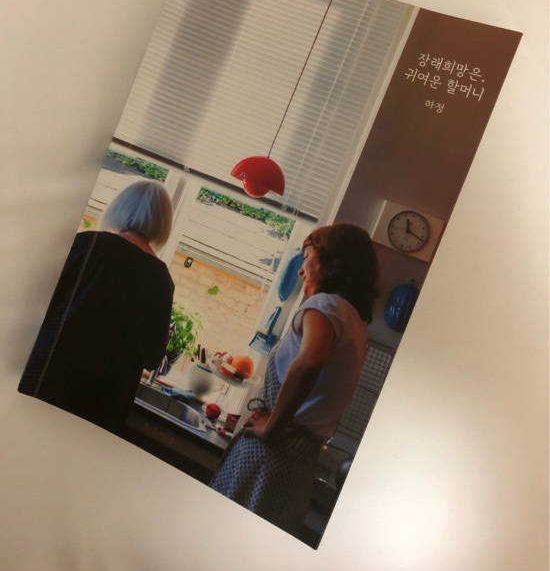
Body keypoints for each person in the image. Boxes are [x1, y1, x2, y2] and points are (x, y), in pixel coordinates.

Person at [210, 223, 379, 536]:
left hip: (271, 453)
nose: (301, 270)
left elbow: (310, 363)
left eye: (308, 257)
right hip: (299, 459)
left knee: (222, 535)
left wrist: (272, 429)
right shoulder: (355, 322)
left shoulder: (325, 306)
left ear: (330, 263)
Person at [18, 180, 175, 433]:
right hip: (103, 402)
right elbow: (152, 356)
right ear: (163, 224)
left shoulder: (85, 243)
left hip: (47, 374)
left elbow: (34, 300)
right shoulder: (161, 279)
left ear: (120, 208)